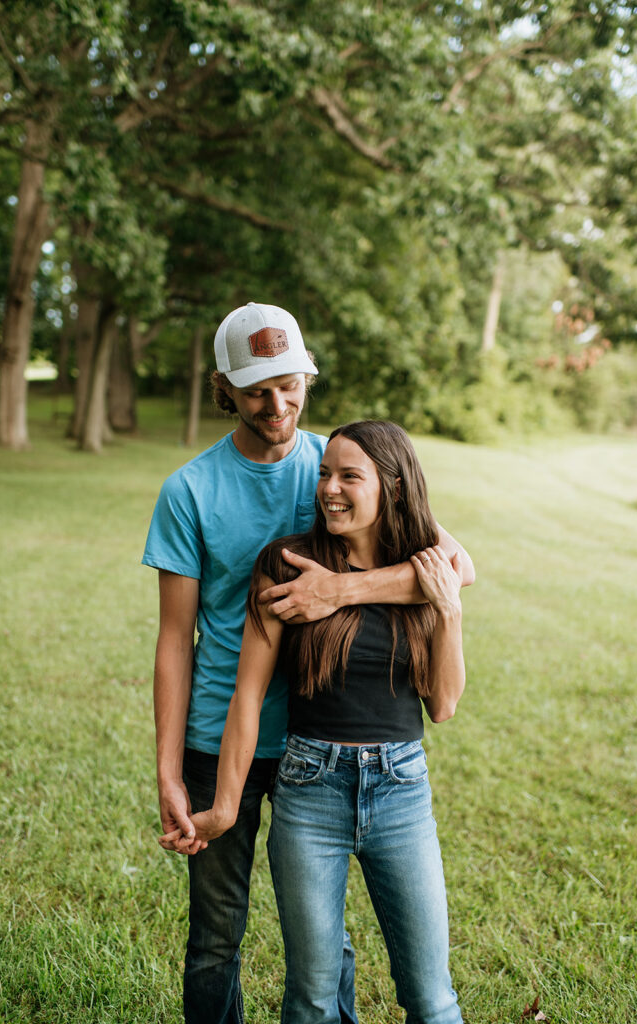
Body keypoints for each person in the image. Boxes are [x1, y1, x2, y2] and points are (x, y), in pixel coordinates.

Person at [143, 302, 474, 1024]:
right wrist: (170, 770)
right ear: (224, 387)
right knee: (215, 941)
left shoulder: (339, 463)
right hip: (218, 736)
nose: (278, 404)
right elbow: (175, 640)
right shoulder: (189, 491)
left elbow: (455, 566)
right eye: (258, 389)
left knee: (329, 950)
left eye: (290, 384)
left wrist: (340, 590)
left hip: (314, 744)